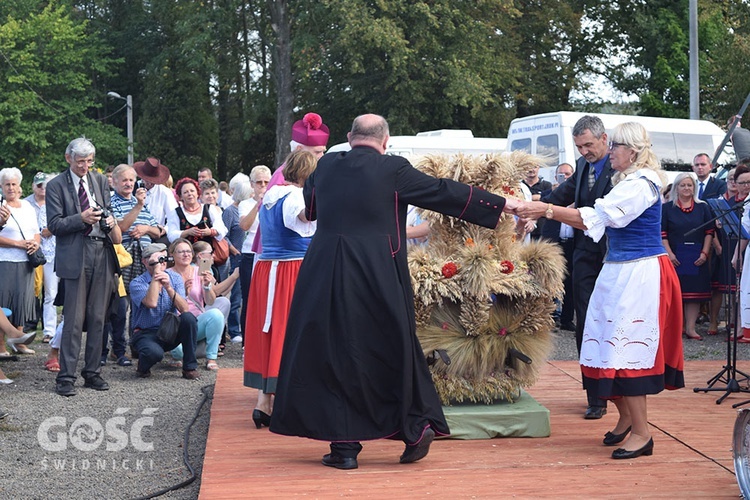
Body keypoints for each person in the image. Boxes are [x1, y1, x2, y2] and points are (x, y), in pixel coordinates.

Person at [269, 114, 519, 470]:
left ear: (348, 137)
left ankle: (344, 449)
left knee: (329, 349)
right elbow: (441, 191)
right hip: (376, 271)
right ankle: (414, 427)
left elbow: (310, 210)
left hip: (323, 271)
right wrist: (497, 204)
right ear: (385, 141)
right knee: (390, 343)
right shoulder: (394, 169)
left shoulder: (325, 166)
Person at [517, 122, 684, 460]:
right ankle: (625, 419)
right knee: (605, 342)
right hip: (620, 270)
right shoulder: (630, 180)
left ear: (632, 152)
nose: (611, 153)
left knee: (626, 349)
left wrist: (545, 209)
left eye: (616, 147)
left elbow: (600, 216)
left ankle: (642, 433)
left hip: (640, 274)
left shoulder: (642, 182)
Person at [538, 115, 615, 420]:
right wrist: (529, 205)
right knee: (585, 321)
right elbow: (561, 195)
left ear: (604, 139)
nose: (584, 151)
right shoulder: (583, 166)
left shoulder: (621, 169)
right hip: (585, 255)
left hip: (614, 255)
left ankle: (618, 389)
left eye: (589, 145)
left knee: (611, 323)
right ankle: (594, 396)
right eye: (579, 146)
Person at [243, 150, 318, 430]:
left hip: (268, 268)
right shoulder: (295, 196)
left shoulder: (271, 194)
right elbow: (301, 217)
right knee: (291, 331)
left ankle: (263, 402)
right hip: (291, 269)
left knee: (271, 331)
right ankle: (291, 404)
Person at [46, 137, 122, 396]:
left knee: (99, 317)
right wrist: (81, 218)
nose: (85, 166)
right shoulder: (56, 185)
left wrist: (109, 219)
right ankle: (66, 377)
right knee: (74, 320)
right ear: (68, 158)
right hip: (75, 253)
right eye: (81, 162)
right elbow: (54, 225)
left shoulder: (100, 180)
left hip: (102, 250)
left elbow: (108, 209)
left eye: (89, 161)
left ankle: (92, 372)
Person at [250, 112, 330, 255]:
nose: (322, 157)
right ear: (299, 150)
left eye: (323, 151)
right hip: (284, 254)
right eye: (317, 152)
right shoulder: (284, 180)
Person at [129, 243, 199, 378]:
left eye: (163, 259)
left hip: (169, 330)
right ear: (145, 261)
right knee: (154, 353)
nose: (161, 264)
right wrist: (156, 275)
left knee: (188, 318)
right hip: (145, 332)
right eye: (156, 260)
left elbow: (184, 308)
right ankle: (143, 366)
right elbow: (151, 303)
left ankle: (189, 367)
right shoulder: (137, 283)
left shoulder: (175, 278)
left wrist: (168, 287)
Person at [167, 239, 236, 370]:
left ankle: (211, 357)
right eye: (181, 251)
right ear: (172, 254)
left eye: (188, 251)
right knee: (178, 352)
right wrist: (184, 293)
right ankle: (190, 352)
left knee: (216, 314)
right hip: (177, 324)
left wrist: (207, 286)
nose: (185, 254)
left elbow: (210, 301)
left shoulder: (199, 271)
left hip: (197, 321)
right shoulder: (168, 275)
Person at [661, 173, 714, 341]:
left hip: (697, 256)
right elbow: (662, 234)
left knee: (694, 294)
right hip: (674, 256)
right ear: (676, 187)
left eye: (689, 185)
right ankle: (677, 328)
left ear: (694, 187)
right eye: (682, 185)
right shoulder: (667, 208)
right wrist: (669, 254)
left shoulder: (703, 207)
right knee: (675, 294)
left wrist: (705, 253)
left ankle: (691, 328)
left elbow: (709, 232)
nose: (686, 188)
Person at [0, 167, 42, 354]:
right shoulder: (1, 206)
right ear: (1, 187)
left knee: (22, 301)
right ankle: (1, 345)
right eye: (7, 184)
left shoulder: (27, 207)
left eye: (13, 184)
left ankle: (19, 339)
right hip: (5, 259)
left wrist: (35, 244)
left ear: (19, 186)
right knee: (5, 302)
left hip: (26, 260)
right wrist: (18, 244)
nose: (10, 188)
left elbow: (36, 232)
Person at [236, 165, 271, 344]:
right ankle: (247, 342)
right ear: (252, 184)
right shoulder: (245, 204)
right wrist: (258, 205)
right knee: (249, 298)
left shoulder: (275, 200)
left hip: (269, 254)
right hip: (250, 254)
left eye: (266, 182)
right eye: (259, 182)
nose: (263, 186)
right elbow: (244, 226)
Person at [540, 163, 576, 331]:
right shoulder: (549, 194)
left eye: (568, 174)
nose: (565, 177)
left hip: (573, 242)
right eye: (561, 174)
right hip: (554, 242)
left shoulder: (578, 195)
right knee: (552, 281)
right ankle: (551, 317)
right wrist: (556, 193)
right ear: (556, 177)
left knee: (571, 282)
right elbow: (541, 207)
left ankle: (567, 319)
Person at [708, 168, 742, 335]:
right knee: (717, 287)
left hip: (737, 246)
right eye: (730, 178)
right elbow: (711, 227)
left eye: (736, 179)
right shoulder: (719, 201)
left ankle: (735, 323)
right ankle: (713, 321)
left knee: (736, 287)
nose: (733, 181)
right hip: (720, 247)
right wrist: (716, 245)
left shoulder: (743, 201)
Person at [222, 178, 253, 343]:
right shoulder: (230, 211)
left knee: (245, 295)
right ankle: (234, 330)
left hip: (248, 255)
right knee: (236, 294)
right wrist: (233, 249)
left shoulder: (250, 209)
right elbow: (223, 235)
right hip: (236, 258)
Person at [166, 178, 228, 245]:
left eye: (192, 191)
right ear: (181, 197)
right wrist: (187, 232)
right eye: (185, 192)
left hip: (208, 252)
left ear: (197, 193)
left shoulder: (210, 209)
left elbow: (222, 228)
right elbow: (171, 235)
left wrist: (210, 232)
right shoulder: (175, 213)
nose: (189, 194)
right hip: (186, 253)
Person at [37, 177, 60, 344]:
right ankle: (50, 331)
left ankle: (66, 328)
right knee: (50, 294)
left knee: (70, 293)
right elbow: (43, 231)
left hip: (68, 253)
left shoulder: (69, 206)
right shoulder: (43, 209)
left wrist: (57, 227)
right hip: (49, 255)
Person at [134, 158, 178, 236]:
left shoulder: (165, 193)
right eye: (147, 179)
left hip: (156, 234)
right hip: (134, 232)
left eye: (153, 180)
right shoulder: (132, 189)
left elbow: (174, 216)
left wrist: (165, 229)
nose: (150, 183)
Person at [522, 164, 552, 240]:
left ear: (538, 168)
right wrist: (537, 197)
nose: (531, 170)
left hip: (541, 229)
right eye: (528, 167)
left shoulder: (546, 185)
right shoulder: (519, 186)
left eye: (534, 167)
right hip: (523, 229)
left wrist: (528, 198)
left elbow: (548, 203)